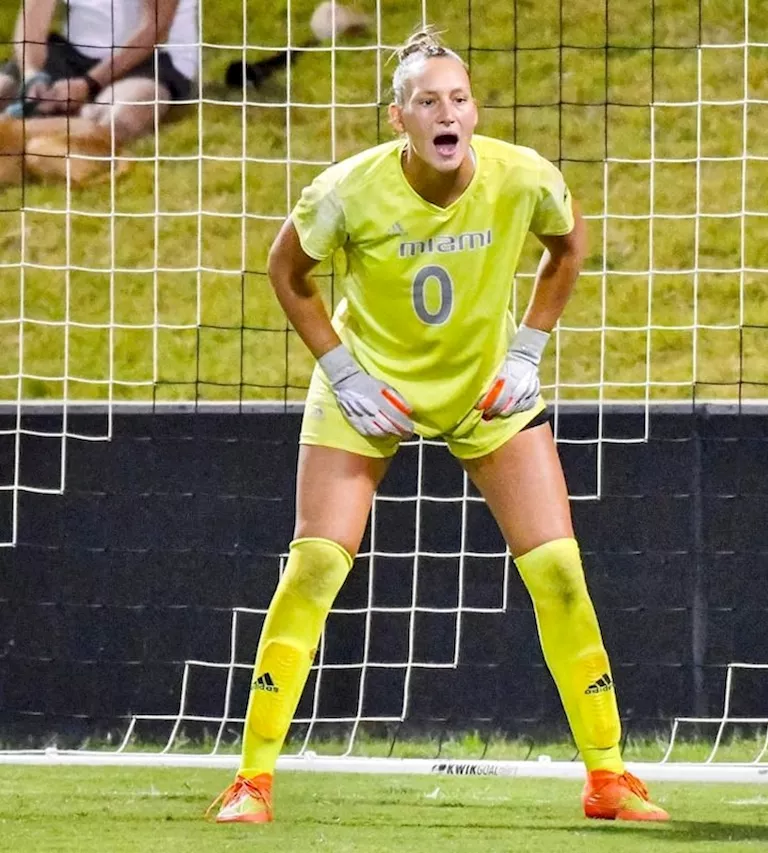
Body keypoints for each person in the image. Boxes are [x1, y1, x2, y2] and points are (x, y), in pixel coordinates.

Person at [206, 27, 669, 825]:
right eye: (428, 101)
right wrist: (341, 372)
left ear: (473, 110)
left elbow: (567, 246)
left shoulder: (523, 176)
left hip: (487, 391)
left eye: (457, 98)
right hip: (368, 390)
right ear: (399, 118)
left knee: (558, 567)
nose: (446, 112)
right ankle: (252, 781)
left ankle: (609, 777)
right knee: (315, 563)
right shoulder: (346, 190)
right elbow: (287, 270)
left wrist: (528, 350)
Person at [0, 0, 197, 168]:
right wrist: (33, 75)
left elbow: (156, 28)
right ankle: (41, 135)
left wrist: (88, 84)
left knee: (121, 118)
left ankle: (33, 138)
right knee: (4, 88)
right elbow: (32, 24)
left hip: (152, 56)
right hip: (73, 53)